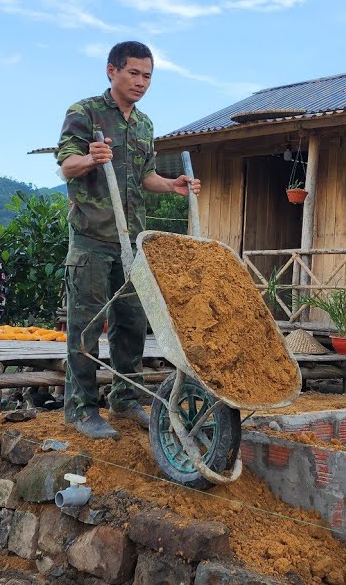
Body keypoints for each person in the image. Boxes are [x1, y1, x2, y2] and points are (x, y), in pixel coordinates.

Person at [55, 41, 201, 439]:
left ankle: (124, 399)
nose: (141, 82)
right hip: (91, 237)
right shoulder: (84, 112)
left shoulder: (144, 125)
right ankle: (81, 408)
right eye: (134, 73)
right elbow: (67, 165)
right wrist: (91, 158)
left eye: (148, 76)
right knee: (86, 325)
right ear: (111, 71)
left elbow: (143, 177)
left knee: (133, 322)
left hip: (131, 242)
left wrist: (171, 184)